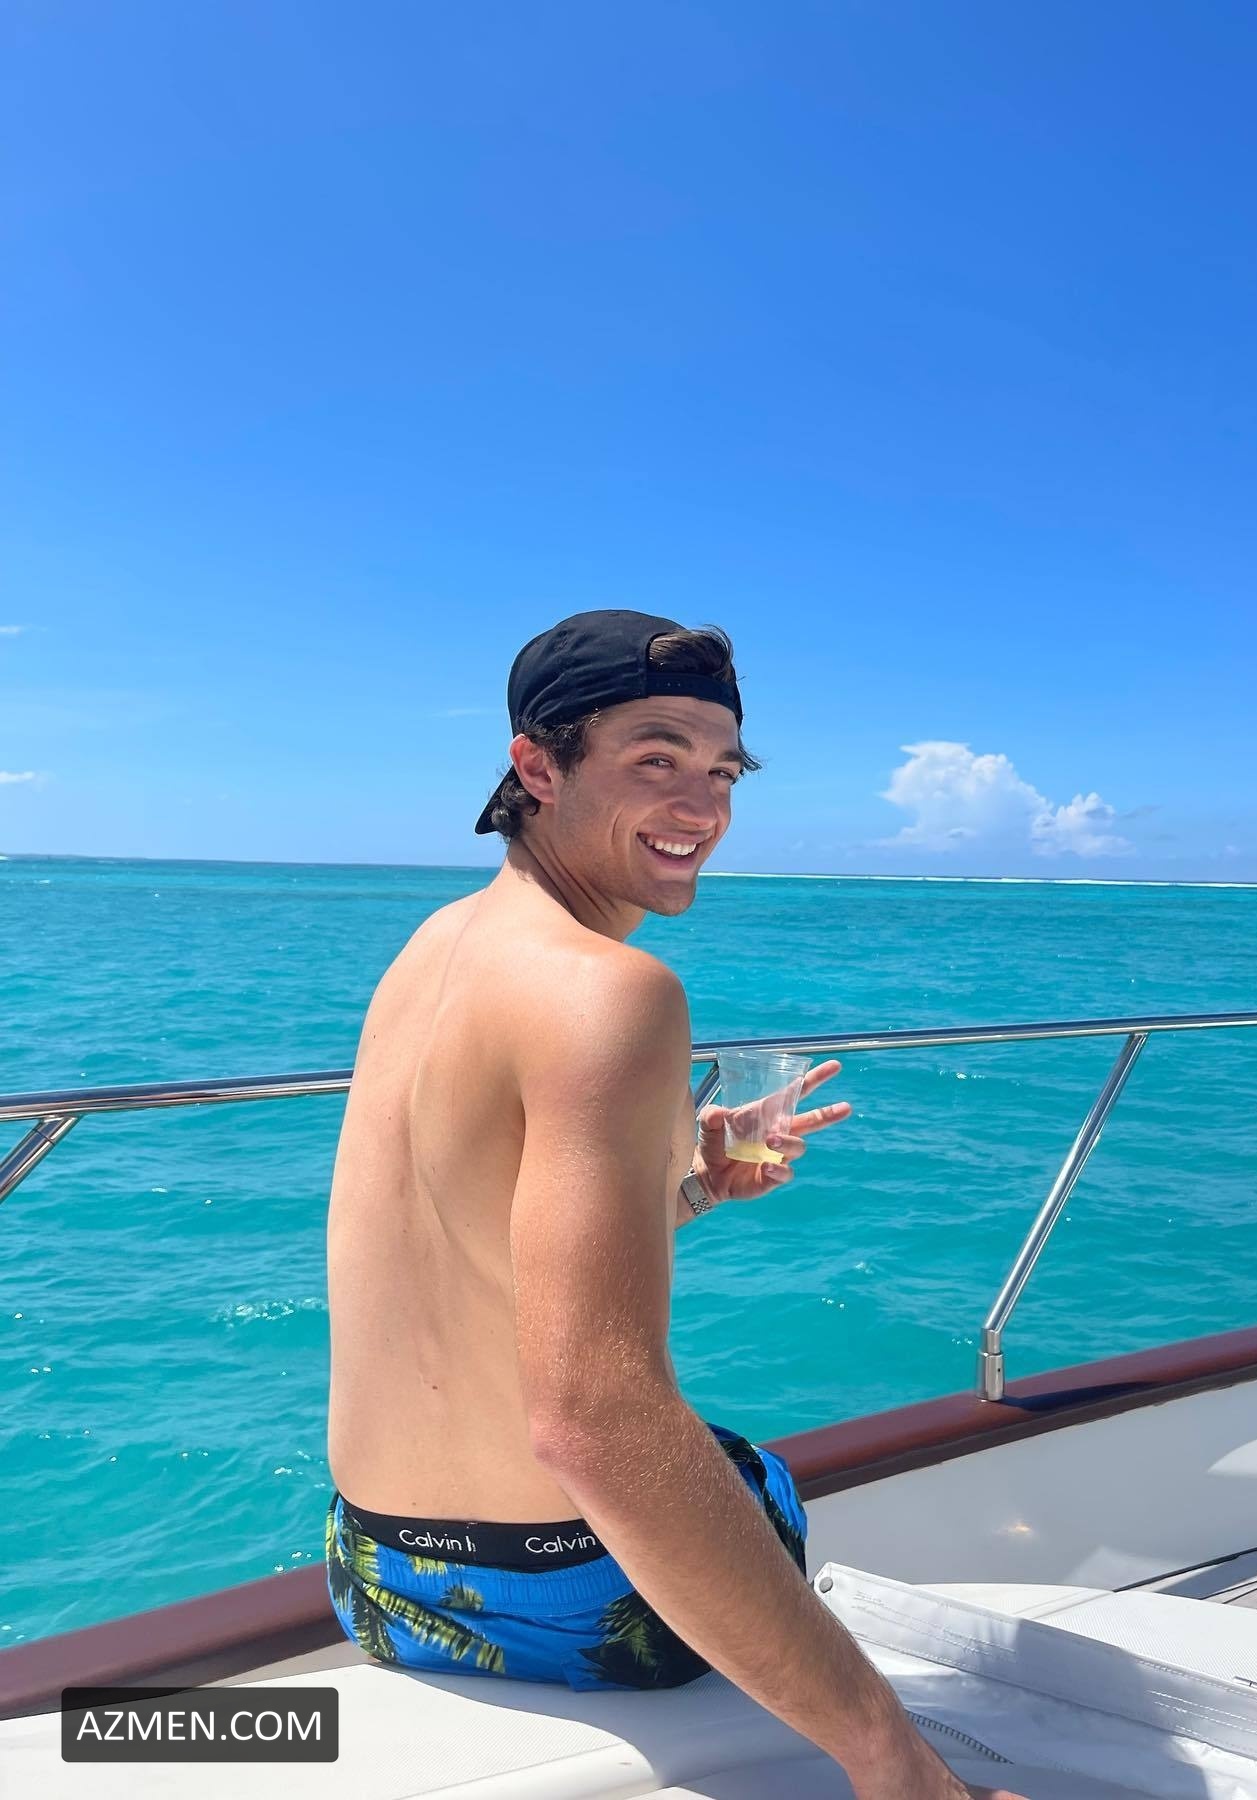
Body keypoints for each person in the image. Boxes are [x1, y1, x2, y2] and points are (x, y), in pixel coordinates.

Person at [325, 609, 1026, 1800]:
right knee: (745, 1476)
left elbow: (470, 1260)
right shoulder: (613, 992)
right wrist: (898, 1761)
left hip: (378, 1578)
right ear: (537, 766)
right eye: (656, 759)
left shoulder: (432, 950)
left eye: (723, 772)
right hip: (577, 1605)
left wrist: (693, 1189)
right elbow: (593, 1423)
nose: (701, 806)